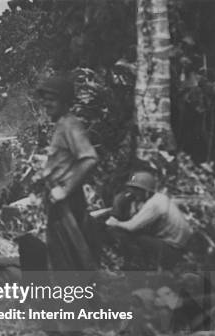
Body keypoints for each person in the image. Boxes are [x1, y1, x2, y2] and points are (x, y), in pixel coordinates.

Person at [36, 75, 99, 270]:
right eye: (45, 98)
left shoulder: (70, 124)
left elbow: (89, 158)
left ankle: (80, 298)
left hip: (68, 201)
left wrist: (65, 189)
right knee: (63, 256)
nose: (47, 103)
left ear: (64, 102)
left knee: (72, 258)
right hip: (59, 199)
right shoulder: (62, 124)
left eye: (52, 99)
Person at [105, 171, 193, 270]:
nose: (134, 193)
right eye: (133, 189)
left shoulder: (154, 204)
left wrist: (116, 223)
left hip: (172, 249)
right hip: (178, 244)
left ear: (147, 191)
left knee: (133, 237)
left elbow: (131, 227)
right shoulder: (160, 198)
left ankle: (136, 266)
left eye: (138, 190)